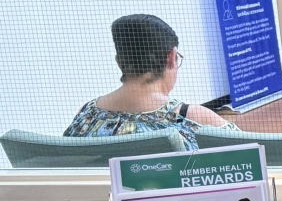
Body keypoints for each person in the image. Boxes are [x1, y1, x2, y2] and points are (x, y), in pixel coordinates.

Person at [63, 14, 227, 149]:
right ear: (171, 57)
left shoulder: (85, 115)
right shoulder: (194, 117)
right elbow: (249, 157)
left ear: (119, 61)